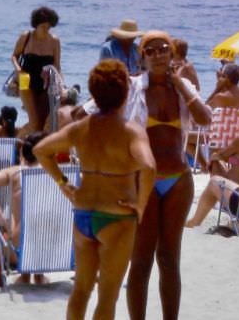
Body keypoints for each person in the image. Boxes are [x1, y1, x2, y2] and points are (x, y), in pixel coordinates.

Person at [78, 31, 211, 320]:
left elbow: (205, 118)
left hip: (179, 180)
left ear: (173, 53)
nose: (159, 54)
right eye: (150, 51)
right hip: (142, 184)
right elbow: (84, 114)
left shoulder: (182, 87)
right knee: (141, 261)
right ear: (142, 57)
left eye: (164, 49)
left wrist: (180, 84)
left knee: (169, 259)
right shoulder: (130, 87)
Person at [34, 59, 156, 320]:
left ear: (94, 94)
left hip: (84, 214)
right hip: (117, 216)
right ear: (125, 93)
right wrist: (141, 205)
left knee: (80, 291)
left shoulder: (80, 128)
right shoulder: (131, 132)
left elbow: (40, 150)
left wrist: (63, 183)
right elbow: (148, 167)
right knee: (108, 296)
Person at [0, 132, 45, 284]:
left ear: (23, 151)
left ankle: (25, 275)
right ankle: (37, 275)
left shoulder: (16, 172)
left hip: (19, 251)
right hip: (51, 251)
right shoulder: (60, 175)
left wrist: (0, 219)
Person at [12, 6, 61, 133]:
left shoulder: (54, 41)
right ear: (36, 24)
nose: (46, 30)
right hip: (25, 80)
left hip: (45, 83)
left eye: (49, 27)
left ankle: (26, 144)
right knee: (34, 122)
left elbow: (57, 65)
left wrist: (61, 84)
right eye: (43, 27)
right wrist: (18, 69)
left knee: (42, 122)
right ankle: (17, 141)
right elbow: (14, 56)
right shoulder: (26, 36)